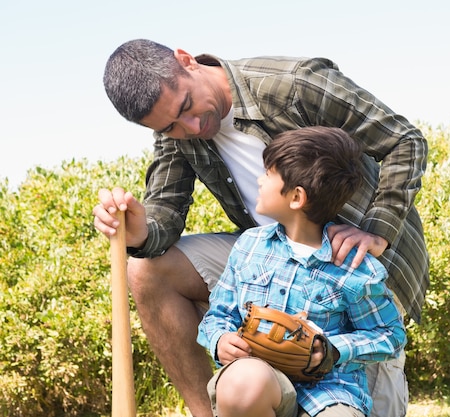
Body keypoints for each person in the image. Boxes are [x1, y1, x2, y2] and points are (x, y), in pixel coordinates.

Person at [93, 38, 429, 417]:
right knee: (145, 268)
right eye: (171, 126)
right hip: (271, 256)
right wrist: (140, 233)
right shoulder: (178, 135)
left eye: (186, 107)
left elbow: (405, 141)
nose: (191, 127)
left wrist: (375, 229)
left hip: (355, 267)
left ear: (186, 61)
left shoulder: (294, 83)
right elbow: (164, 214)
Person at [197, 126, 406, 417]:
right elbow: (218, 315)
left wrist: (332, 349)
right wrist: (220, 339)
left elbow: (390, 335)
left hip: (330, 390)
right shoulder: (249, 246)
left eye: (268, 174)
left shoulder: (356, 268)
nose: (259, 179)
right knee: (241, 384)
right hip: (261, 380)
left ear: (296, 197)